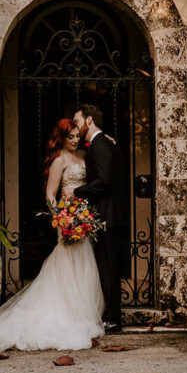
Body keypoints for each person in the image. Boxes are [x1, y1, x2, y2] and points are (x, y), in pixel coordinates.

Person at [0, 118, 105, 352]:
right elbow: (50, 194)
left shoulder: (82, 157)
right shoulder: (59, 161)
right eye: (71, 137)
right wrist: (60, 218)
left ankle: (80, 315)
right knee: (67, 264)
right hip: (67, 217)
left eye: (78, 136)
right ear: (62, 137)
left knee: (83, 263)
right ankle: (64, 315)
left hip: (83, 216)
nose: (76, 140)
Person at [66, 104, 126, 333]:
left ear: (89, 120)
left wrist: (77, 191)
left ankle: (113, 318)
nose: (75, 125)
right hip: (107, 215)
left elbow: (103, 182)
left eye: (77, 120)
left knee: (109, 269)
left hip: (108, 216)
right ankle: (111, 315)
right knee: (106, 267)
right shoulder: (102, 144)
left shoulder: (100, 145)